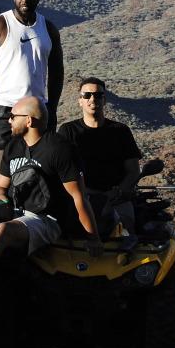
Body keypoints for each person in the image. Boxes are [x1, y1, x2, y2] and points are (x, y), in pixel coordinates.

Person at [0, 96, 101, 288]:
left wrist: (93, 237)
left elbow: (78, 197)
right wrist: (2, 202)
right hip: (13, 210)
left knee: (3, 230)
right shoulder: (13, 146)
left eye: (13, 116)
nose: (9, 120)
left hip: (45, 219)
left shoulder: (59, 149)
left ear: (29, 120)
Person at [0, 0, 64, 151]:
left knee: (37, 159)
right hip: (3, 107)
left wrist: (52, 107)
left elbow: (57, 71)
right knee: (4, 161)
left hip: (36, 108)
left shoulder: (48, 29)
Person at [55, 77, 142, 236]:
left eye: (98, 95)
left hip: (116, 199)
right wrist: (81, 193)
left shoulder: (121, 131)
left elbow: (133, 170)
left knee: (126, 233)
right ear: (80, 101)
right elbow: (59, 169)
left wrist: (119, 192)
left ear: (104, 100)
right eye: (87, 95)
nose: (92, 99)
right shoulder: (68, 131)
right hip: (80, 199)